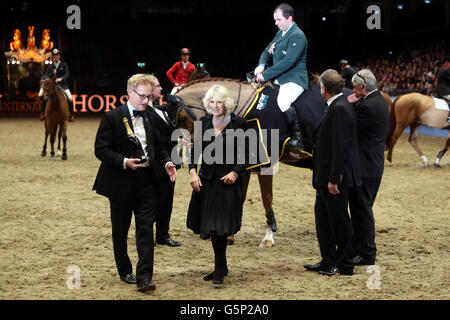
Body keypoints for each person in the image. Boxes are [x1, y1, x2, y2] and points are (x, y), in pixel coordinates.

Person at [93, 74, 177, 292]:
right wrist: (123, 161)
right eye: (142, 96)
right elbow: (101, 149)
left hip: (147, 182)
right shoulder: (111, 118)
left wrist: (167, 162)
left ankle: (145, 278)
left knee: (146, 230)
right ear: (129, 92)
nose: (146, 101)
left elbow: (159, 146)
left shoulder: (150, 117)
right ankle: (124, 270)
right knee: (120, 231)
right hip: (120, 182)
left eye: (149, 96)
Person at [187, 85, 248, 285]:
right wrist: (193, 172)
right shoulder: (202, 122)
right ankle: (221, 266)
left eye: (219, 102)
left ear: (226, 104)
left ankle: (219, 270)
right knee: (212, 227)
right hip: (206, 181)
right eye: (212, 102)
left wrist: (235, 173)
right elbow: (194, 152)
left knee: (220, 227)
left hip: (227, 182)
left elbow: (246, 155)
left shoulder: (239, 124)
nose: (215, 106)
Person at [304, 69, 360, 276]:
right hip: (324, 178)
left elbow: (341, 147)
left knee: (339, 221)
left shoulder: (340, 109)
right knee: (323, 220)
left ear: (324, 89)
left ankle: (345, 264)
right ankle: (328, 260)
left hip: (333, 179)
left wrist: (334, 179)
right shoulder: (335, 106)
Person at [347, 69, 389, 266]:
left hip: (366, 166)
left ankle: (367, 252)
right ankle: (360, 248)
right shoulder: (377, 99)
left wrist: (349, 105)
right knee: (361, 208)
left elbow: (351, 128)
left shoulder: (367, 106)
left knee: (362, 209)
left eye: (355, 87)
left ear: (363, 87)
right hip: (371, 164)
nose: (353, 91)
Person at [254, 3, 308, 153]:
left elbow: (288, 62)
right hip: (281, 78)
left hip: (295, 79)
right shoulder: (281, 33)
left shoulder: (297, 35)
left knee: (282, 100)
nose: (276, 23)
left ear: (289, 18)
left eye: (278, 20)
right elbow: (266, 51)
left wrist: (265, 75)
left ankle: (298, 139)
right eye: (275, 20)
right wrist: (261, 64)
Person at [146, 74, 181, 247]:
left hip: (170, 160)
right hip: (158, 163)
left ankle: (163, 234)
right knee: (156, 200)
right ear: (149, 90)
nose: (161, 89)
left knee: (167, 200)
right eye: (158, 86)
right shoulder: (146, 111)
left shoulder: (161, 109)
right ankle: (149, 233)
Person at [39, 48, 75, 122]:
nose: (55, 57)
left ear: (59, 56)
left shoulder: (64, 65)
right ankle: (42, 114)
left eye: (57, 55)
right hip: (53, 86)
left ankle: (71, 115)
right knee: (45, 98)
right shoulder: (50, 66)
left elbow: (67, 74)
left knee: (70, 98)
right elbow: (47, 75)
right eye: (54, 55)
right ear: (52, 57)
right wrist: (44, 77)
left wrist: (61, 79)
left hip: (63, 85)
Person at [435, 56, 450, 123]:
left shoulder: (443, 69)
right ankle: (449, 118)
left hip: (443, 90)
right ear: (446, 63)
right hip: (443, 91)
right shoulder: (445, 69)